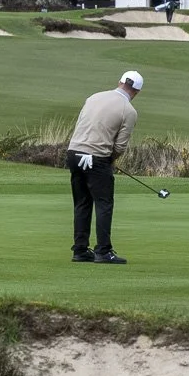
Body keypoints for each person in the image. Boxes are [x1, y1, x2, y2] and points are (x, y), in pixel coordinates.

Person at [66, 70, 142, 265]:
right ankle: (103, 251)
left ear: (119, 82)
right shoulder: (129, 111)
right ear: (137, 92)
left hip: (74, 154)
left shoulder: (94, 97)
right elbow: (120, 146)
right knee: (103, 203)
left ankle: (81, 250)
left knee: (82, 203)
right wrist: (110, 160)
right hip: (97, 157)